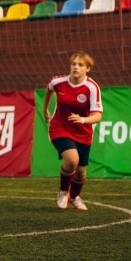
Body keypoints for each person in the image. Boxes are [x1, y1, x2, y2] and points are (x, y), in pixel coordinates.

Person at [43, 51, 102, 211]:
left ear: (87, 69)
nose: (76, 67)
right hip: (59, 127)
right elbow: (48, 90)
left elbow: (97, 116)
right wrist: (45, 110)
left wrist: (82, 119)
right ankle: (63, 192)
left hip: (83, 132)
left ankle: (74, 197)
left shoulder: (92, 87)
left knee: (81, 173)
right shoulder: (58, 82)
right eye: (73, 64)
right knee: (72, 160)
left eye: (80, 65)